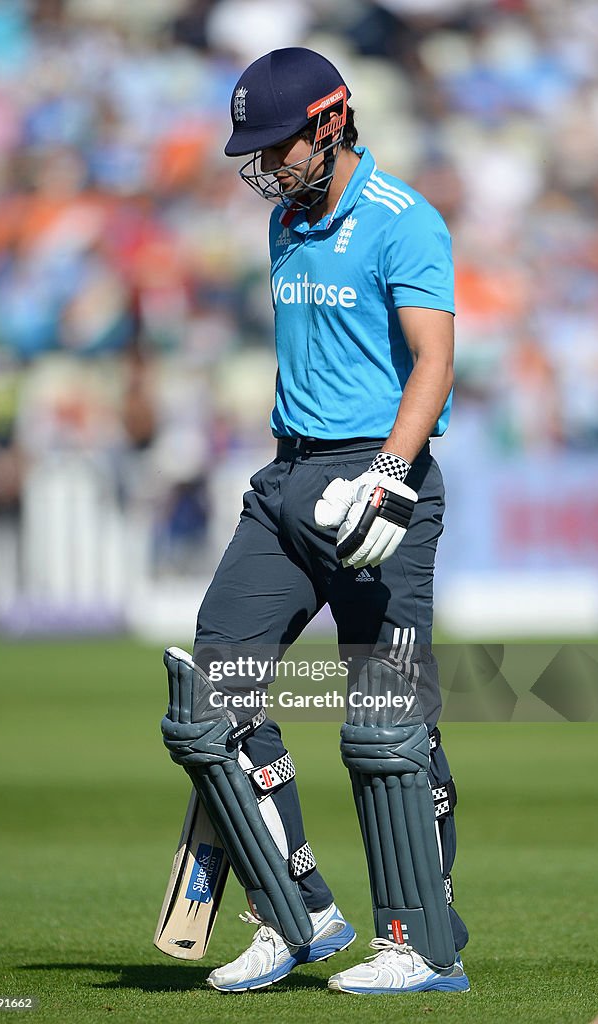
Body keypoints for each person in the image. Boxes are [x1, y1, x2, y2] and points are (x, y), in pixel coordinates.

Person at [163, 46, 469, 995]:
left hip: (379, 491)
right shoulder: (286, 225)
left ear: (332, 123)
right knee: (215, 690)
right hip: (288, 483)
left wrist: (389, 474)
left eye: (278, 144)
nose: (265, 165)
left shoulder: (402, 220)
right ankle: (297, 913)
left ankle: (421, 942)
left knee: (384, 723)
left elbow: (433, 363)